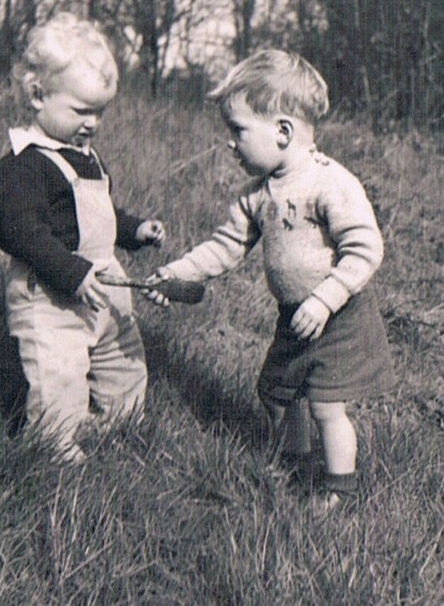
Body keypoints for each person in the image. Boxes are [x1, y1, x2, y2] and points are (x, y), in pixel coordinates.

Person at [145, 49, 395, 511]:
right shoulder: (257, 195)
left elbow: (365, 249)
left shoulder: (329, 183)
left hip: (338, 314)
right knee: (277, 392)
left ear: (283, 131)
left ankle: (338, 489)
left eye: (238, 131)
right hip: (294, 317)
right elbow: (224, 247)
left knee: (325, 404)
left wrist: (325, 299)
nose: (230, 144)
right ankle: (295, 465)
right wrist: (176, 273)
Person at [0, 13, 165, 462]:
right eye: (81, 110)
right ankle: (53, 443)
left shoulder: (86, 156)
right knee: (59, 372)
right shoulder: (23, 166)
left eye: (100, 111)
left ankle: (119, 421)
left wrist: (134, 230)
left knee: (122, 359)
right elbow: (23, 233)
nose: (93, 123)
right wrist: (70, 272)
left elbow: (99, 214)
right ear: (38, 95)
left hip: (103, 284)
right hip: (51, 293)